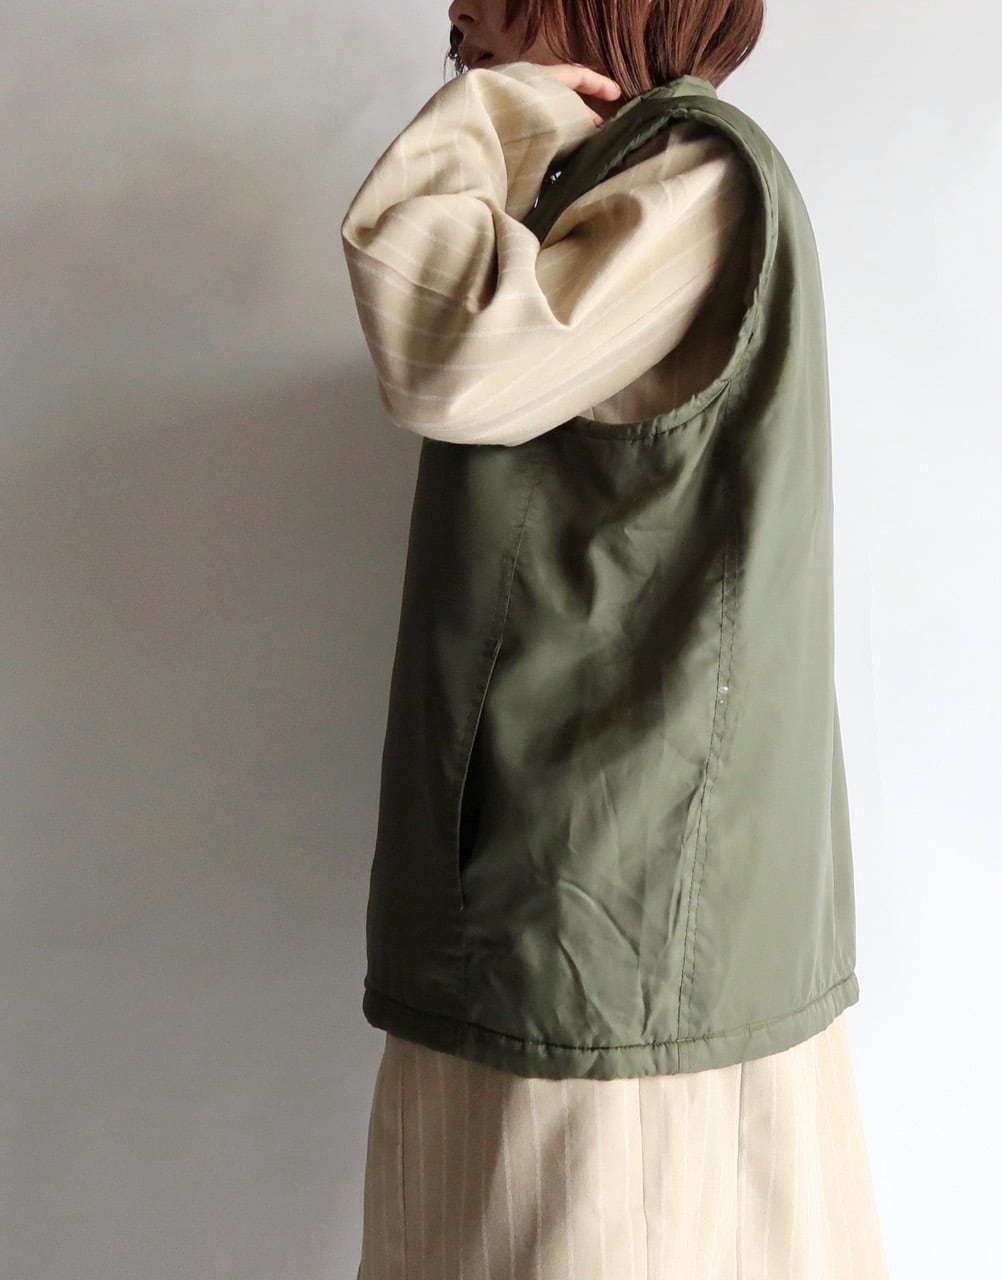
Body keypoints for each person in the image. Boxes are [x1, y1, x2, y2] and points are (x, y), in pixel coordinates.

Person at [339, 0, 890, 1275]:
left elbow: (445, 353)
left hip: (611, 916)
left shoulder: (693, 179)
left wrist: (489, 110)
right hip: (577, 895)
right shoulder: (615, 186)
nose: (456, 13)